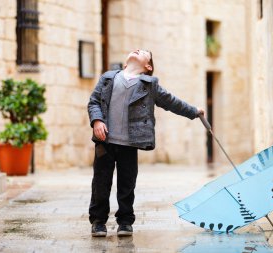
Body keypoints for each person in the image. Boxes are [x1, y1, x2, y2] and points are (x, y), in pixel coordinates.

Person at [87, 49, 205, 237]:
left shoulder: (149, 85)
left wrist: (194, 111)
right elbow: (94, 102)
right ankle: (98, 221)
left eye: (143, 53)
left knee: (127, 184)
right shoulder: (108, 78)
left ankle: (125, 221)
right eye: (135, 50)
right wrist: (97, 121)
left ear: (147, 67)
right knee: (100, 183)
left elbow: (171, 102)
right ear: (126, 63)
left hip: (130, 143)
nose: (137, 50)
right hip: (105, 141)